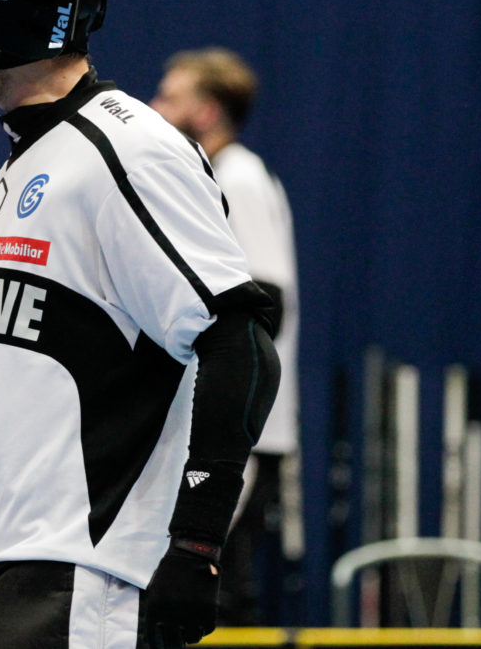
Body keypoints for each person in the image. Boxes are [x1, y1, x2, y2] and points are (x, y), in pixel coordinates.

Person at [0, 0, 282, 648]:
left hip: (79, 580)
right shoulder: (10, 174)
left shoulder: (126, 147)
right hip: (0, 573)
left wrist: (196, 543)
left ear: (20, 10)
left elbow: (242, 338)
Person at [150, 48, 301, 624]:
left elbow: (267, 306)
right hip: (220, 426)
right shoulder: (205, 176)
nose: (154, 107)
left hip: (245, 434)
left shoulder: (239, 178)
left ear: (207, 112)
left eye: (170, 97)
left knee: (211, 592)